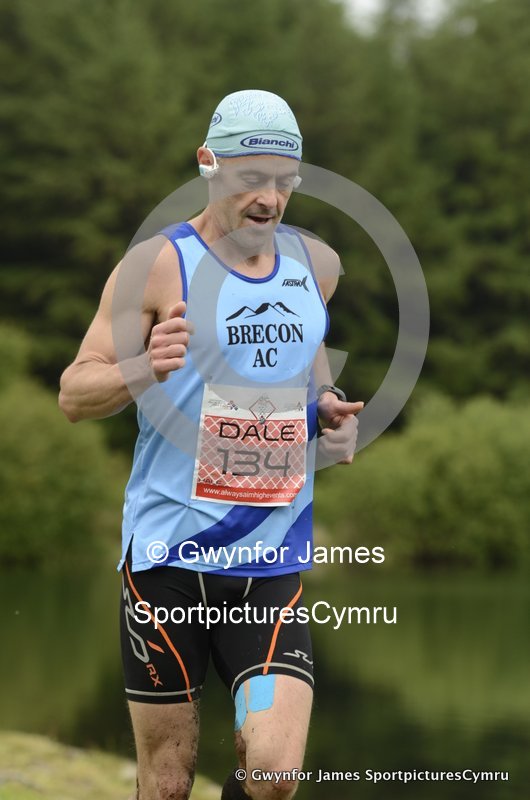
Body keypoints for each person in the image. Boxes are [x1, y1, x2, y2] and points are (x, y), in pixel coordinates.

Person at [59, 89, 363, 800]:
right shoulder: (157, 265)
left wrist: (325, 404)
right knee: (167, 784)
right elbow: (75, 393)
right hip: (167, 556)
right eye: (251, 178)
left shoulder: (317, 265)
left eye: (284, 181)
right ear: (208, 162)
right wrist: (144, 367)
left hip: (268, 557)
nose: (269, 199)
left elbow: (306, 359)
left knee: (275, 773)